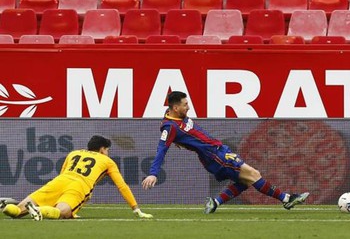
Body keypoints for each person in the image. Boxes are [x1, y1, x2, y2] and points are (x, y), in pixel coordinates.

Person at [142, 91, 309, 213]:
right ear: (176, 107)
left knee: (244, 181)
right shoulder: (169, 126)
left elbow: (180, 133)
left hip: (219, 151)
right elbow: (161, 149)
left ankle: (215, 202)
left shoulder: (174, 116)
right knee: (253, 174)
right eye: (185, 105)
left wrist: (179, 141)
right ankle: (287, 199)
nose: (189, 107)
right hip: (215, 155)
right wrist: (153, 173)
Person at [0, 135, 153, 221]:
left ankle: (5, 207)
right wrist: (136, 209)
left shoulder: (74, 153)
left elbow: (62, 173)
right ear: (102, 149)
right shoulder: (107, 161)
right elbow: (122, 186)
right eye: (107, 149)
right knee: (63, 212)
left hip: (59, 181)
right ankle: (39, 210)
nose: (108, 152)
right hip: (79, 186)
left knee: (18, 211)